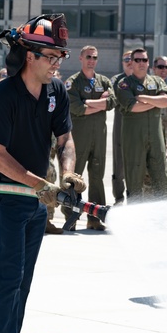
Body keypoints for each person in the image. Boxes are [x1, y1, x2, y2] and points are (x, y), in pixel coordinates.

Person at [0, 14, 85, 333]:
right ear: (29, 56)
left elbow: (65, 140)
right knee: (8, 279)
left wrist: (68, 173)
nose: (58, 64)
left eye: (60, 56)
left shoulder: (56, 92)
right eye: (51, 56)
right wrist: (40, 184)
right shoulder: (4, 95)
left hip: (39, 200)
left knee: (24, 281)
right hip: (9, 198)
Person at [64, 45, 114, 230]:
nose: (91, 60)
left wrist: (89, 103)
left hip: (99, 136)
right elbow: (76, 107)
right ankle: (71, 217)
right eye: (88, 57)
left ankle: (95, 217)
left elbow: (112, 102)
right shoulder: (73, 82)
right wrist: (99, 103)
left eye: (94, 57)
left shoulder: (104, 81)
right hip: (80, 135)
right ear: (81, 58)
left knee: (97, 176)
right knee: (74, 176)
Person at [114, 48, 167, 202]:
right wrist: (155, 102)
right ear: (131, 63)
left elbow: (166, 101)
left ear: (148, 63)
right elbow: (133, 106)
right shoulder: (124, 84)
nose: (141, 63)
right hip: (134, 139)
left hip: (155, 138)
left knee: (161, 178)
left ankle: (163, 218)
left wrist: (143, 98)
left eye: (144, 60)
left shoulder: (157, 81)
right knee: (134, 182)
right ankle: (135, 220)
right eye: (137, 60)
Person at [110, 50, 133, 204]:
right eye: (126, 59)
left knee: (135, 164)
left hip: (138, 124)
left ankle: (134, 198)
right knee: (119, 164)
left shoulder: (143, 79)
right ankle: (118, 198)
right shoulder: (116, 80)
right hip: (120, 123)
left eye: (132, 59)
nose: (130, 62)